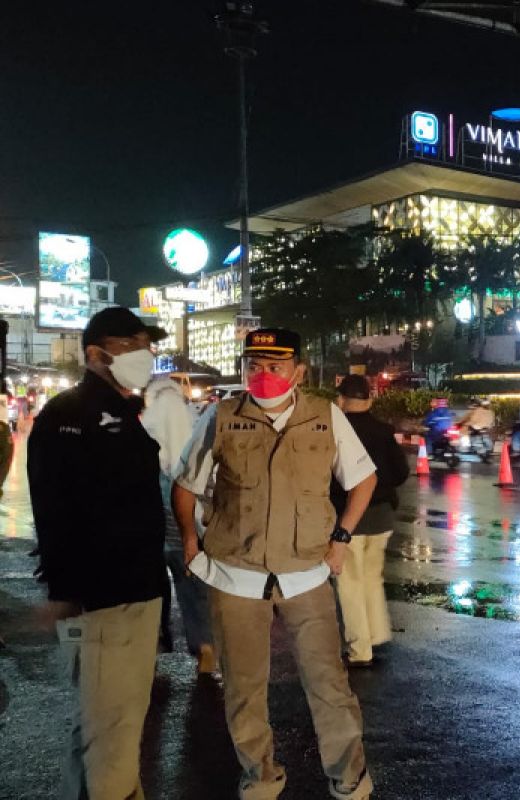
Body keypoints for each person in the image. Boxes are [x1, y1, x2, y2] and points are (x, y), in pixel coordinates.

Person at [172, 328, 377, 800]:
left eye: (275, 366)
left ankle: (349, 777)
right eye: (254, 366)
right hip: (235, 574)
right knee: (244, 688)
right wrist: (189, 540)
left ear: (298, 371)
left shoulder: (326, 417)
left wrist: (342, 538)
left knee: (329, 683)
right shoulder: (220, 417)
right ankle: (260, 775)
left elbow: (363, 479)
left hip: (307, 573)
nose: (263, 375)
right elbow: (185, 483)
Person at [28, 307, 167, 799]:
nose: (145, 354)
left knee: (102, 727)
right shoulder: (69, 414)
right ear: (96, 353)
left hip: (137, 590)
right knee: (112, 732)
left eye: (147, 345)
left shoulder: (126, 411)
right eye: (132, 345)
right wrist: (66, 590)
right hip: (105, 598)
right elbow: (53, 508)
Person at [331, 375, 409, 667]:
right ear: (370, 400)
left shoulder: (339, 431)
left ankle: (359, 649)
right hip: (382, 517)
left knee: (349, 582)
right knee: (371, 579)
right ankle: (376, 635)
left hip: (350, 518)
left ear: (341, 400)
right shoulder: (383, 431)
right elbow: (401, 472)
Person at [142, 376, 215, 674]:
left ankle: (155, 642)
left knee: (152, 590)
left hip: (151, 533)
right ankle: (205, 646)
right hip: (188, 529)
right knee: (193, 589)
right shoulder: (195, 428)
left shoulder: (144, 433)